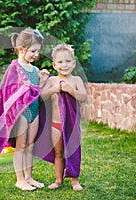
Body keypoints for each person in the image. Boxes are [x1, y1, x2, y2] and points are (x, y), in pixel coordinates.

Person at [0, 28, 49, 191]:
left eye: (38, 52)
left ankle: (29, 177)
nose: (36, 55)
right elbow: (8, 93)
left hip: (33, 111)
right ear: (21, 49)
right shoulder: (14, 68)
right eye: (33, 51)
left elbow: (37, 93)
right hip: (20, 113)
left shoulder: (35, 70)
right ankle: (19, 179)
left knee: (29, 145)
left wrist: (42, 81)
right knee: (20, 146)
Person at [39, 43, 87, 190]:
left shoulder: (76, 80)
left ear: (73, 63)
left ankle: (74, 180)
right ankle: (58, 180)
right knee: (58, 153)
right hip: (55, 124)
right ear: (54, 65)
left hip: (72, 124)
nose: (64, 65)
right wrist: (54, 89)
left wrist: (71, 90)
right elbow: (41, 97)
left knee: (73, 151)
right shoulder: (52, 81)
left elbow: (83, 97)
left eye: (67, 61)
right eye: (60, 62)